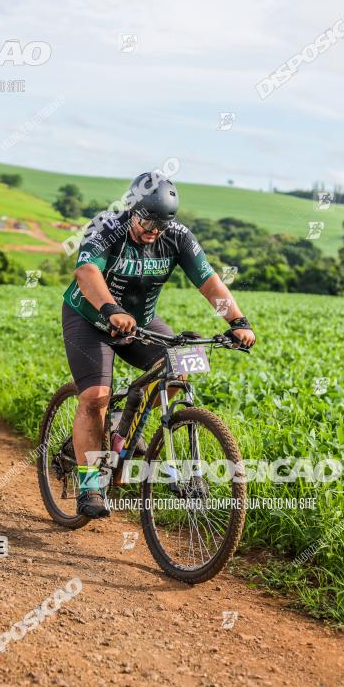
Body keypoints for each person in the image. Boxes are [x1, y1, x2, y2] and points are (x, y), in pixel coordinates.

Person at [61, 171, 256, 519]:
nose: (152, 230)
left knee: (180, 365)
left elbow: (208, 280)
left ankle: (125, 429)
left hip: (140, 321)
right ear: (132, 208)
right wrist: (111, 309)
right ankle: (90, 485)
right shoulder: (107, 226)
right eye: (146, 220)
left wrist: (237, 321)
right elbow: (87, 271)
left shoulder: (177, 236)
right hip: (90, 318)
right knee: (95, 397)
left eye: (160, 225)